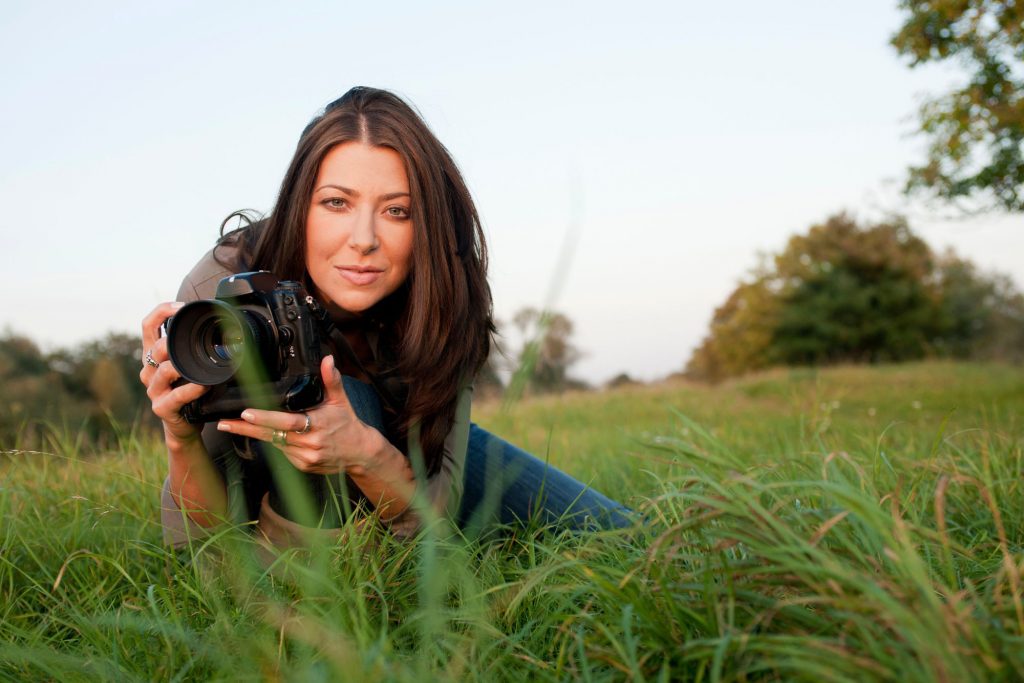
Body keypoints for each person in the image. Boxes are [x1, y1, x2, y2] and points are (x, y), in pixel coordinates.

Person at [139, 86, 629, 549]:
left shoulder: (445, 295)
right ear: (299, 207)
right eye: (336, 203)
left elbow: (432, 517)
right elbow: (198, 537)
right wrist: (179, 435)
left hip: (405, 452)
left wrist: (364, 454)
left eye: (397, 211)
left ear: (427, 225)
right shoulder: (224, 286)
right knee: (328, 398)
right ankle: (325, 589)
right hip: (267, 488)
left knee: (625, 537)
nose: (364, 239)